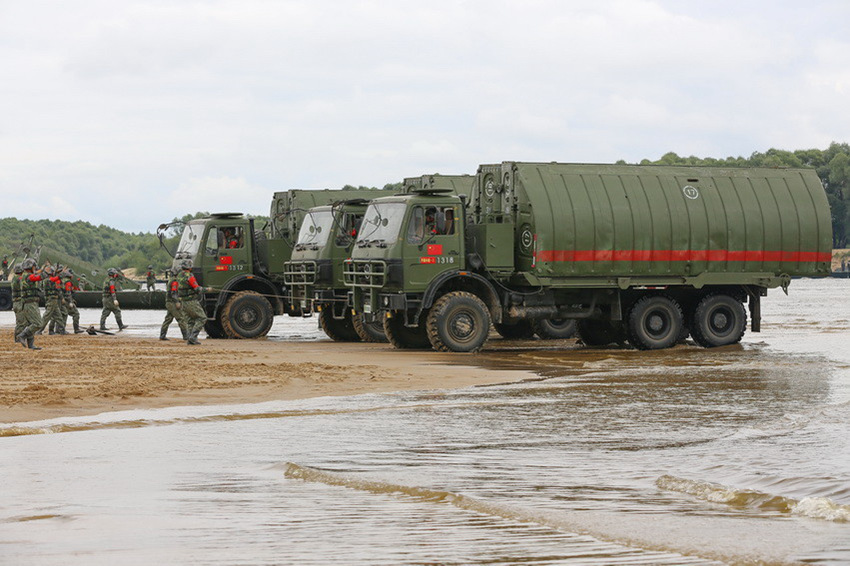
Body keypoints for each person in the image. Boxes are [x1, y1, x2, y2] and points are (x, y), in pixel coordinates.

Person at [174, 259, 206, 345]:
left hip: (183, 302)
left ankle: (190, 339)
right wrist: (206, 289)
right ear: (190, 267)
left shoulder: (179, 276)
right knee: (202, 318)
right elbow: (197, 288)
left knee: (190, 321)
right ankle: (193, 337)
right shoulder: (190, 276)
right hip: (191, 301)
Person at [15, 258, 44, 350]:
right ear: (30, 267)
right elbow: (37, 277)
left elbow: (35, 274)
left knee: (30, 324)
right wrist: (45, 273)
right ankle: (22, 335)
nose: (35, 268)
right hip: (30, 304)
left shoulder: (26, 275)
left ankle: (31, 345)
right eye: (34, 267)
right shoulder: (27, 276)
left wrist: (42, 270)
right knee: (38, 323)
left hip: (29, 303)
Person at [160, 269, 188, 341]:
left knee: (168, 319)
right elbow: (174, 293)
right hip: (172, 302)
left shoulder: (171, 280)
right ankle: (186, 336)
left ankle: (162, 335)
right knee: (181, 318)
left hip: (169, 302)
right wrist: (177, 302)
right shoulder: (175, 281)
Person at [40, 264, 67, 335]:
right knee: (47, 316)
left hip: (54, 300)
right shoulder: (48, 280)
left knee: (59, 316)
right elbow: (56, 278)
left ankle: (62, 330)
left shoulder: (49, 280)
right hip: (51, 300)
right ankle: (39, 330)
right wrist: (62, 273)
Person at [63, 268, 84, 334]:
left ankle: (60, 329)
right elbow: (68, 292)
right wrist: (71, 302)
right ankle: (76, 329)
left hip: (62, 300)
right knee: (76, 314)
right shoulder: (68, 282)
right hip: (67, 301)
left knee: (63, 315)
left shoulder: (62, 280)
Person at [11, 263, 25, 343]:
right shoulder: (19, 278)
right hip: (19, 302)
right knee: (21, 322)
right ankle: (18, 338)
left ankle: (18, 337)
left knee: (20, 321)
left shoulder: (14, 278)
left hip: (16, 302)